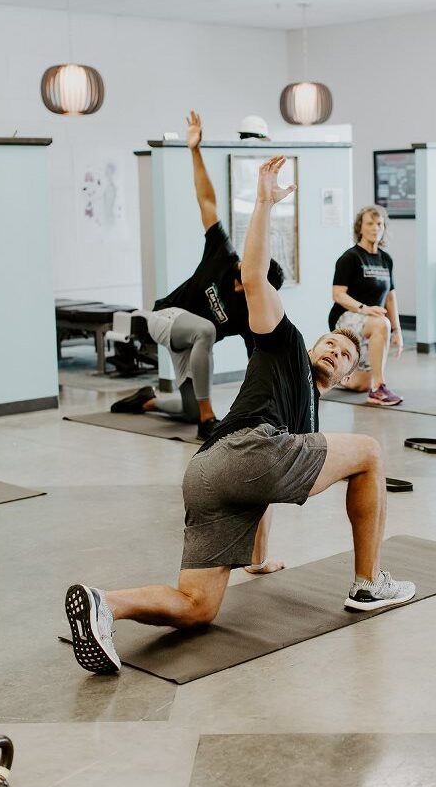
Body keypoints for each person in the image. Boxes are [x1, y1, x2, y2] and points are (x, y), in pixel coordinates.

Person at [65, 155, 416, 675]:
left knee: (198, 606)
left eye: (344, 356)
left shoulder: (308, 420)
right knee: (368, 451)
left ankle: (104, 605)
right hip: (241, 454)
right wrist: (264, 205)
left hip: (209, 476)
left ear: (346, 378)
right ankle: (369, 584)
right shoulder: (286, 345)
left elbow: (265, 482)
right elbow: (252, 275)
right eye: (330, 343)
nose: (333, 353)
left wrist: (257, 559)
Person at [110, 111, 284, 440]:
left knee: (186, 408)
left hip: (193, 345)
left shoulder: (250, 312)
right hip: (167, 317)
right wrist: (194, 150)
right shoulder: (223, 253)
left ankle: (148, 401)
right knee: (205, 330)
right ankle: (207, 420)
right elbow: (207, 200)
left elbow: (258, 360)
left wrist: (270, 404)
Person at [328, 205, 404, 406]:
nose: (375, 228)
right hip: (346, 318)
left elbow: (390, 297)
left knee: (361, 384)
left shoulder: (385, 259)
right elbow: (338, 295)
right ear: (360, 227)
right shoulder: (350, 257)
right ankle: (378, 388)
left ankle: (323, 372)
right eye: (370, 223)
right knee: (381, 323)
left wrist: (397, 330)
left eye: (379, 224)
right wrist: (364, 309)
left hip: (373, 322)